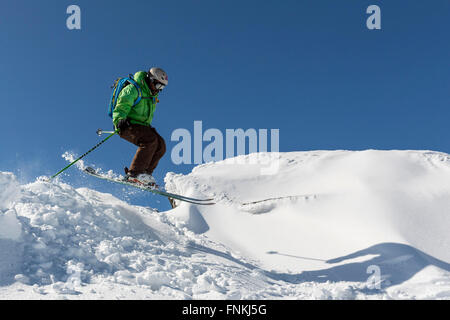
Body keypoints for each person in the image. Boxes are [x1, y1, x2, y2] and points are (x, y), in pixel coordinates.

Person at [112, 67, 168, 186]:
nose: (159, 90)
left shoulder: (152, 95)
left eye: (162, 88)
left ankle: (145, 175)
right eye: (158, 86)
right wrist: (119, 119)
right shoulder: (134, 89)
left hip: (142, 127)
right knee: (150, 140)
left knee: (161, 145)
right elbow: (122, 104)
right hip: (126, 124)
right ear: (151, 80)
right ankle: (134, 174)